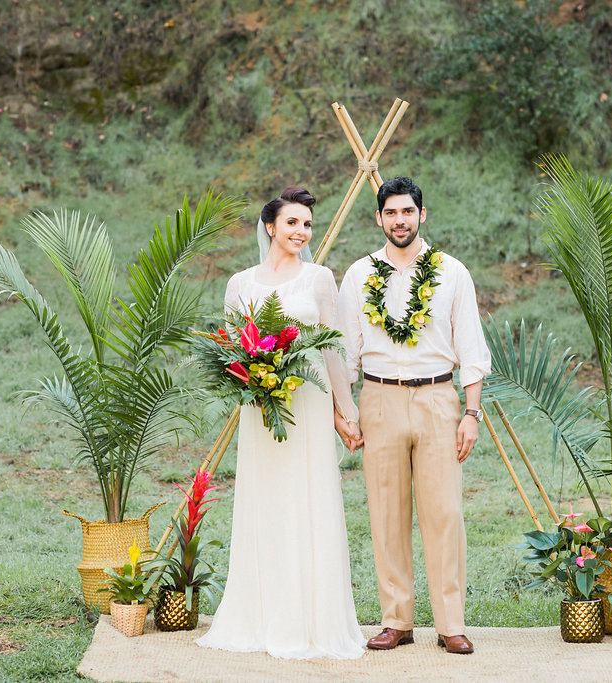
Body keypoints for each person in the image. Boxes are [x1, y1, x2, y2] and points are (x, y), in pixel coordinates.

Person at [195, 186, 365, 659]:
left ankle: (313, 620)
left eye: (307, 224)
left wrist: (344, 409)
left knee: (307, 498)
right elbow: (232, 350)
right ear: (270, 226)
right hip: (261, 409)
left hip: (307, 404)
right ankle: (261, 614)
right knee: (266, 501)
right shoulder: (240, 284)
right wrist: (254, 377)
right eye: (292, 222)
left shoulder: (319, 279)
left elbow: (332, 347)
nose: (301, 231)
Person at [337, 176, 491, 655]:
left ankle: (451, 624)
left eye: (408, 212)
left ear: (422, 215)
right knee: (386, 513)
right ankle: (396, 619)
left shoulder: (451, 273)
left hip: (438, 400)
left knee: (444, 512)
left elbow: (471, 347)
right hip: (379, 399)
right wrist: (343, 412)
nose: (399, 220)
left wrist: (471, 413)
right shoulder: (359, 275)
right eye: (391, 213)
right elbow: (344, 350)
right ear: (379, 218)